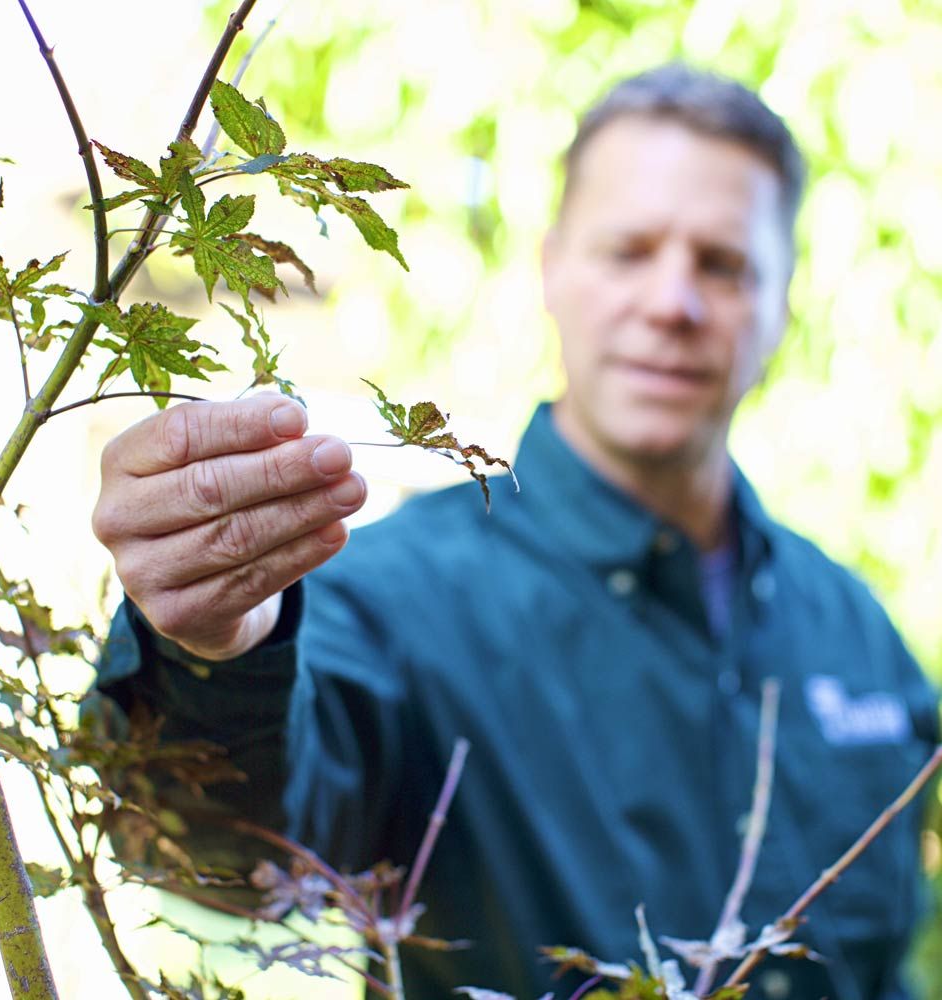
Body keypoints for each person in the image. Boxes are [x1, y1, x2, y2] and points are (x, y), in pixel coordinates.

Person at [92, 65, 939, 1000]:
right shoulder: (392, 606)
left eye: (724, 264)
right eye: (628, 250)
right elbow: (218, 849)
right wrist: (210, 650)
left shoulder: (858, 637)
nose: (672, 302)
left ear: (783, 304)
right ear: (552, 270)